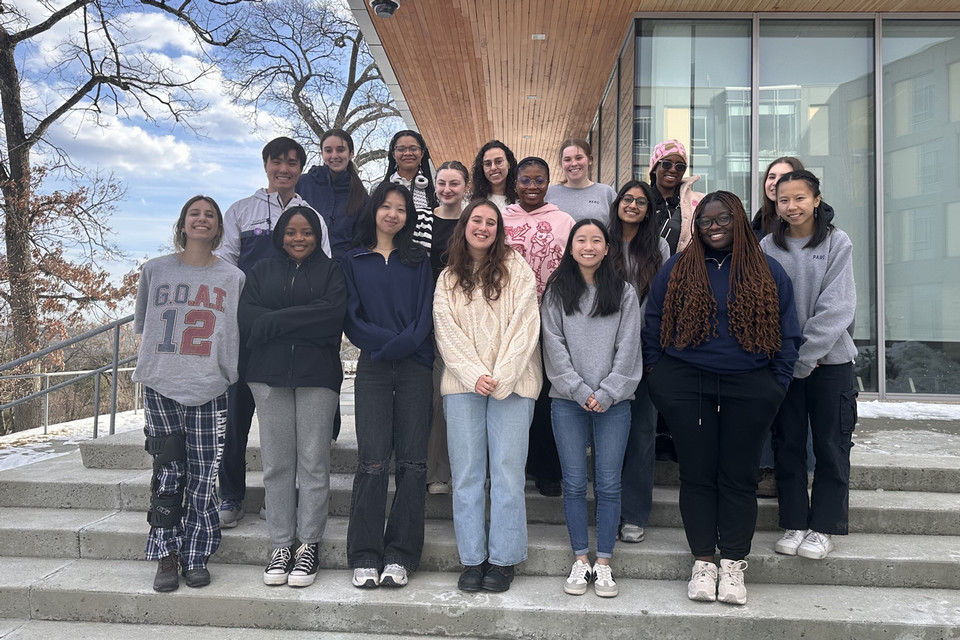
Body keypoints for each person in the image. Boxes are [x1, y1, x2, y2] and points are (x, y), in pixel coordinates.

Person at [643, 191, 801, 606]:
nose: (713, 227)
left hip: (749, 386)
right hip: (687, 385)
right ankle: (703, 561)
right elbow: (653, 322)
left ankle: (732, 561)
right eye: (705, 220)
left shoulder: (767, 269)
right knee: (697, 474)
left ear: (739, 221)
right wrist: (658, 376)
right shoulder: (678, 267)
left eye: (723, 219)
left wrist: (776, 384)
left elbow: (788, 331)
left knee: (739, 476)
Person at [216, 137, 331, 529]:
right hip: (246, 331)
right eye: (277, 161)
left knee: (286, 425)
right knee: (235, 418)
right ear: (266, 164)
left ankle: (277, 498)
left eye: (293, 162)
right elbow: (225, 268)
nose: (284, 169)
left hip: (293, 336)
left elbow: (323, 270)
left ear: (301, 168)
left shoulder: (312, 216)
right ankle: (230, 495)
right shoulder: (241, 211)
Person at [134, 195, 245, 592]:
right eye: (194, 214)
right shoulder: (155, 270)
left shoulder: (233, 277)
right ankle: (166, 552)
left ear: (218, 228)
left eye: (209, 215)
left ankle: (196, 553)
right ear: (182, 224)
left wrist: (225, 375)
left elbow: (234, 332)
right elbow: (144, 325)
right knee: (167, 473)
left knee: (203, 476)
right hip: (161, 384)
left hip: (209, 387)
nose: (202, 219)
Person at [433, 200, 542, 593]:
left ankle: (503, 559)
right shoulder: (448, 277)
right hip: (463, 388)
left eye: (490, 222)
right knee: (467, 475)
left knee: (508, 474)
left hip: (513, 386)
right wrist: (474, 374)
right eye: (476, 220)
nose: (482, 227)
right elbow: (445, 331)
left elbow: (526, 325)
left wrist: (501, 376)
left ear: (499, 229)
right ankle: (472, 558)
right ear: (464, 225)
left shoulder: (517, 269)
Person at [238, 206, 347, 588]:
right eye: (291, 231)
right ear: (280, 235)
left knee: (314, 462)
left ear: (318, 235)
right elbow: (248, 319)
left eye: (306, 232)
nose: (299, 238)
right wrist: (301, 320)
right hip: (268, 378)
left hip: (318, 376)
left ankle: (309, 544)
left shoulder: (332, 272)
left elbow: (332, 319)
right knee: (277, 465)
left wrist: (274, 320)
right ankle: (282, 545)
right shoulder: (261, 271)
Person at [542, 218, 643, 599]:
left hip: (614, 403)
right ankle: (580, 558)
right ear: (571, 248)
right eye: (581, 240)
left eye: (596, 240)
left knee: (608, 483)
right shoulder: (557, 292)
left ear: (607, 249)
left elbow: (629, 347)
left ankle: (603, 562)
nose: (588, 246)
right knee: (572, 483)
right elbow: (553, 346)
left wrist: (608, 391)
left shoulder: (624, 293)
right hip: (567, 401)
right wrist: (580, 390)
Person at [761, 170, 858, 561]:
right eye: (784, 200)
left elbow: (837, 307)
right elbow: (763, 307)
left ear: (816, 200)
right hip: (786, 365)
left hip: (831, 363)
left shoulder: (837, 242)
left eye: (800, 198)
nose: (792, 206)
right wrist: (792, 360)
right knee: (788, 444)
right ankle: (795, 522)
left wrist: (807, 355)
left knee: (831, 445)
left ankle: (824, 527)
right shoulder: (768, 245)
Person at [342, 182, 434, 589]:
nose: (393, 214)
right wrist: (390, 344)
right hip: (374, 368)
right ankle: (364, 553)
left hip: (415, 367)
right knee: (373, 461)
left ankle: (401, 554)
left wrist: (402, 345)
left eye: (401, 208)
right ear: (374, 210)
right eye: (386, 206)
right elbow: (352, 319)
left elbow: (425, 314)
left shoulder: (418, 260)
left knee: (413, 464)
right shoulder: (354, 260)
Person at [752, 157, 833, 498]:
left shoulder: (830, 237)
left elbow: (836, 302)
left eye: (785, 178)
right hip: (775, 347)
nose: (777, 184)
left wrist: (810, 349)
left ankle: (808, 475)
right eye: (772, 177)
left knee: (811, 422)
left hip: (817, 351)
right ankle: (772, 472)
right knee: (776, 415)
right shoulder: (760, 233)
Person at [503, 156, 576, 497]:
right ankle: (511, 467)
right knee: (514, 392)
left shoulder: (564, 221)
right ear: (515, 183)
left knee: (547, 396)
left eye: (539, 180)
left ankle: (547, 471)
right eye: (525, 180)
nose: (532, 187)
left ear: (549, 183)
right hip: (510, 320)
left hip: (551, 318)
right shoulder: (502, 218)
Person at [606, 180, 670, 544]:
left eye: (640, 202)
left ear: (648, 211)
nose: (632, 205)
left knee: (642, 433)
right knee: (606, 434)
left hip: (644, 351)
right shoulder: (602, 240)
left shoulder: (659, 247)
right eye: (627, 199)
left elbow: (659, 301)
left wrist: (641, 342)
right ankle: (607, 510)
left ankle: (633, 514)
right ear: (617, 204)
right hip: (603, 351)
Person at [426, 160, 470, 495]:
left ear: (466, 186)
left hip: (470, 318)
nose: (447, 189)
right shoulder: (423, 220)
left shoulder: (474, 220)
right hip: (432, 318)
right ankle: (437, 471)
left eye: (454, 183)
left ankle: (468, 471)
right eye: (442, 183)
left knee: (468, 395)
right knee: (439, 396)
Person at [297, 128, 369, 262]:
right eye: (328, 150)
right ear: (322, 154)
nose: (334, 156)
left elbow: (362, 238)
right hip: (303, 264)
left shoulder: (360, 195)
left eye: (340, 150)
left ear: (351, 154)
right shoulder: (303, 184)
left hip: (341, 267)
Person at [380, 130, 438, 250]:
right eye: (401, 149)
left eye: (413, 148)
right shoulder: (378, 189)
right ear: (393, 154)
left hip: (423, 254)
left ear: (422, 153)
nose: (407, 153)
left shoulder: (435, 193)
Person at [648, 139, 705, 255]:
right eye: (666, 164)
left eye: (680, 166)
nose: (673, 170)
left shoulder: (699, 201)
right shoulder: (640, 200)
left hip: (686, 265)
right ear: (654, 168)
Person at [546, 138, 617, 223]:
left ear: (590, 160)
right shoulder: (548, 193)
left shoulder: (606, 193)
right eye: (567, 160)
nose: (574, 163)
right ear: (561, 163)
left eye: (579, 158)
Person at [470, 140, 519, 212]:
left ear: (509, 164)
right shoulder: (471, 201)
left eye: (499, 162)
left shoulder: (521, 201)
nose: (493, 168)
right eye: (488, 164)